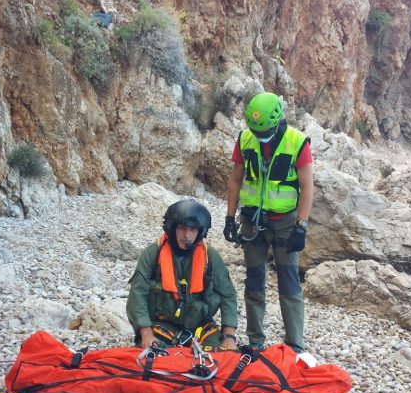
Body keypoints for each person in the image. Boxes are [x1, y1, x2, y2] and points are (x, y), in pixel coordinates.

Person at [223, 92, 314, 353]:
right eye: (254, 129)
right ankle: (255, 342)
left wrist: (301, 226)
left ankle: (294, 345)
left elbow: (307, 187)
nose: (259, 134)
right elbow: (235, 179)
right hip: (252, 220)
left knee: (289, 280)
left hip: (285, 221)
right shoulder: (245, 138)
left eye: (264, 130)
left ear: (278, 122)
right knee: (254, 280)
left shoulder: (297, 142)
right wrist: (230, 218)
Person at [127, 199, 239, 351]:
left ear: (201, 231)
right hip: (163, 325)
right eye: (182, 228)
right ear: (172, 228)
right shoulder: (153, 254)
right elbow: (137, 293)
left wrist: (229, 336)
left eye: (193, 230)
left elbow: (228, 294)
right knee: (151, 358)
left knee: (228, 358)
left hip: (201, 327)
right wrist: (146, 334)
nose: (187, 235)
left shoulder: (210, 257)